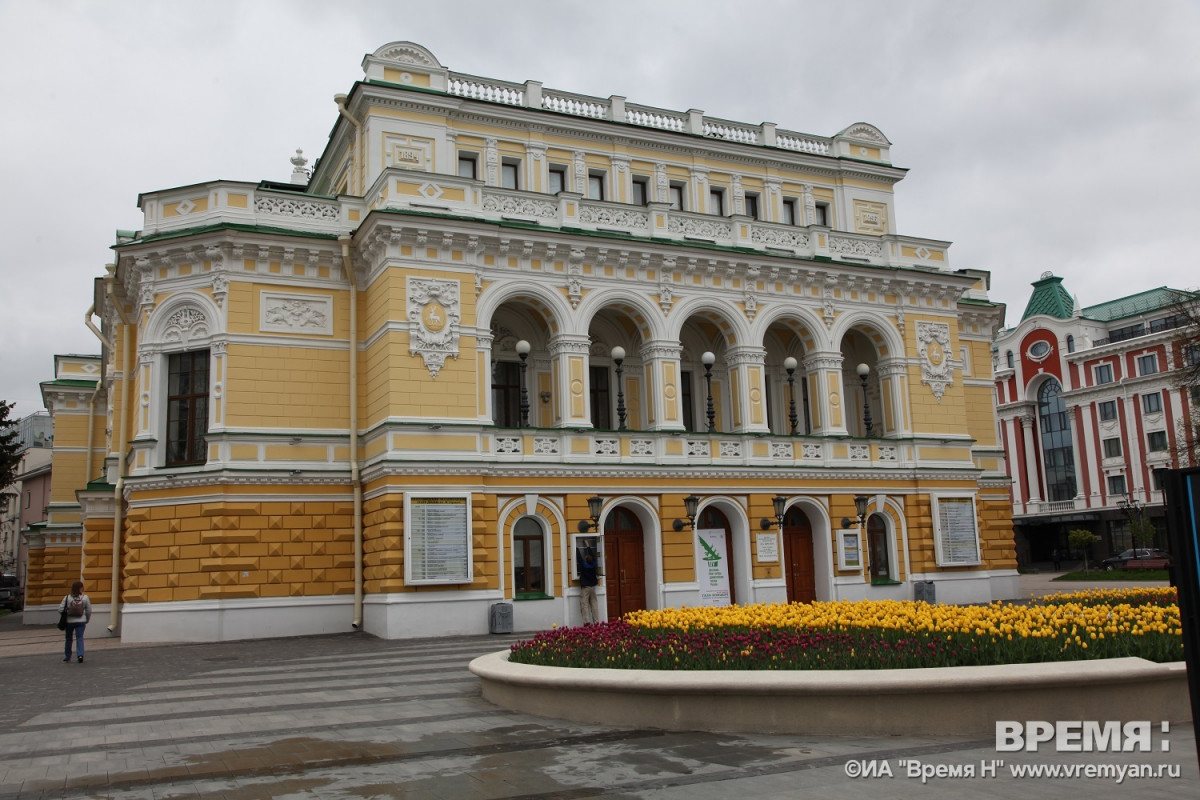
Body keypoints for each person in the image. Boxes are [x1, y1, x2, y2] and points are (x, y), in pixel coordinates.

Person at [59, 581, 91, 663]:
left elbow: (60, 609)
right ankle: (80, 655)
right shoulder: (85, 598)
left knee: (69, 639)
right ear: (81, 588)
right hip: (81, 621)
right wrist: (86, 619)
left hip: (69, 621)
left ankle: (67, 656)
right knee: (79, 638)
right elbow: (89, 610)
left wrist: (66, 614)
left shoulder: (67, 597)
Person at [577, 547, 600, 625]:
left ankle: (587, 622)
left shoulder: (583, 565)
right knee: (594, 604)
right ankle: (596, 622)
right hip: (593, 586)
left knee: (584, 604)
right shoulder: (593, 564)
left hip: (585, 587)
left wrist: (576, 548)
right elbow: (593, 555)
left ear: (586, 559)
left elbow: (579, 557)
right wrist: (588, 546)